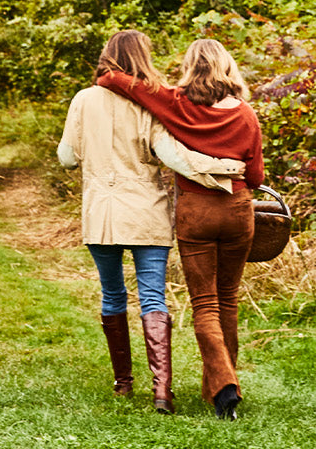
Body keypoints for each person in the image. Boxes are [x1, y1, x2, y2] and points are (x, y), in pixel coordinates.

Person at [58, 30, 243, 415]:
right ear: (142, 57)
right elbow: (172, 157)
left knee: (112, 296)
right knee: (153, 298)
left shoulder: (83, 100)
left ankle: (123, 384)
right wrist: (222, 169)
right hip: (146, 213)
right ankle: (162, 392)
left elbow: (67, 159)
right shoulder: (149, 104)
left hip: (101, 213)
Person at [96, 38, 264, 420]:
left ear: (191, 67)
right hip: (238, 211)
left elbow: (127, 83)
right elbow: (255, 175)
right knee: (229, 301)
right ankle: (222, 385)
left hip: (196, 214)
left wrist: (106, 78)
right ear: (227, 66)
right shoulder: (246, 115)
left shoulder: (177, 104)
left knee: (205, 303)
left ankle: (223, 388)